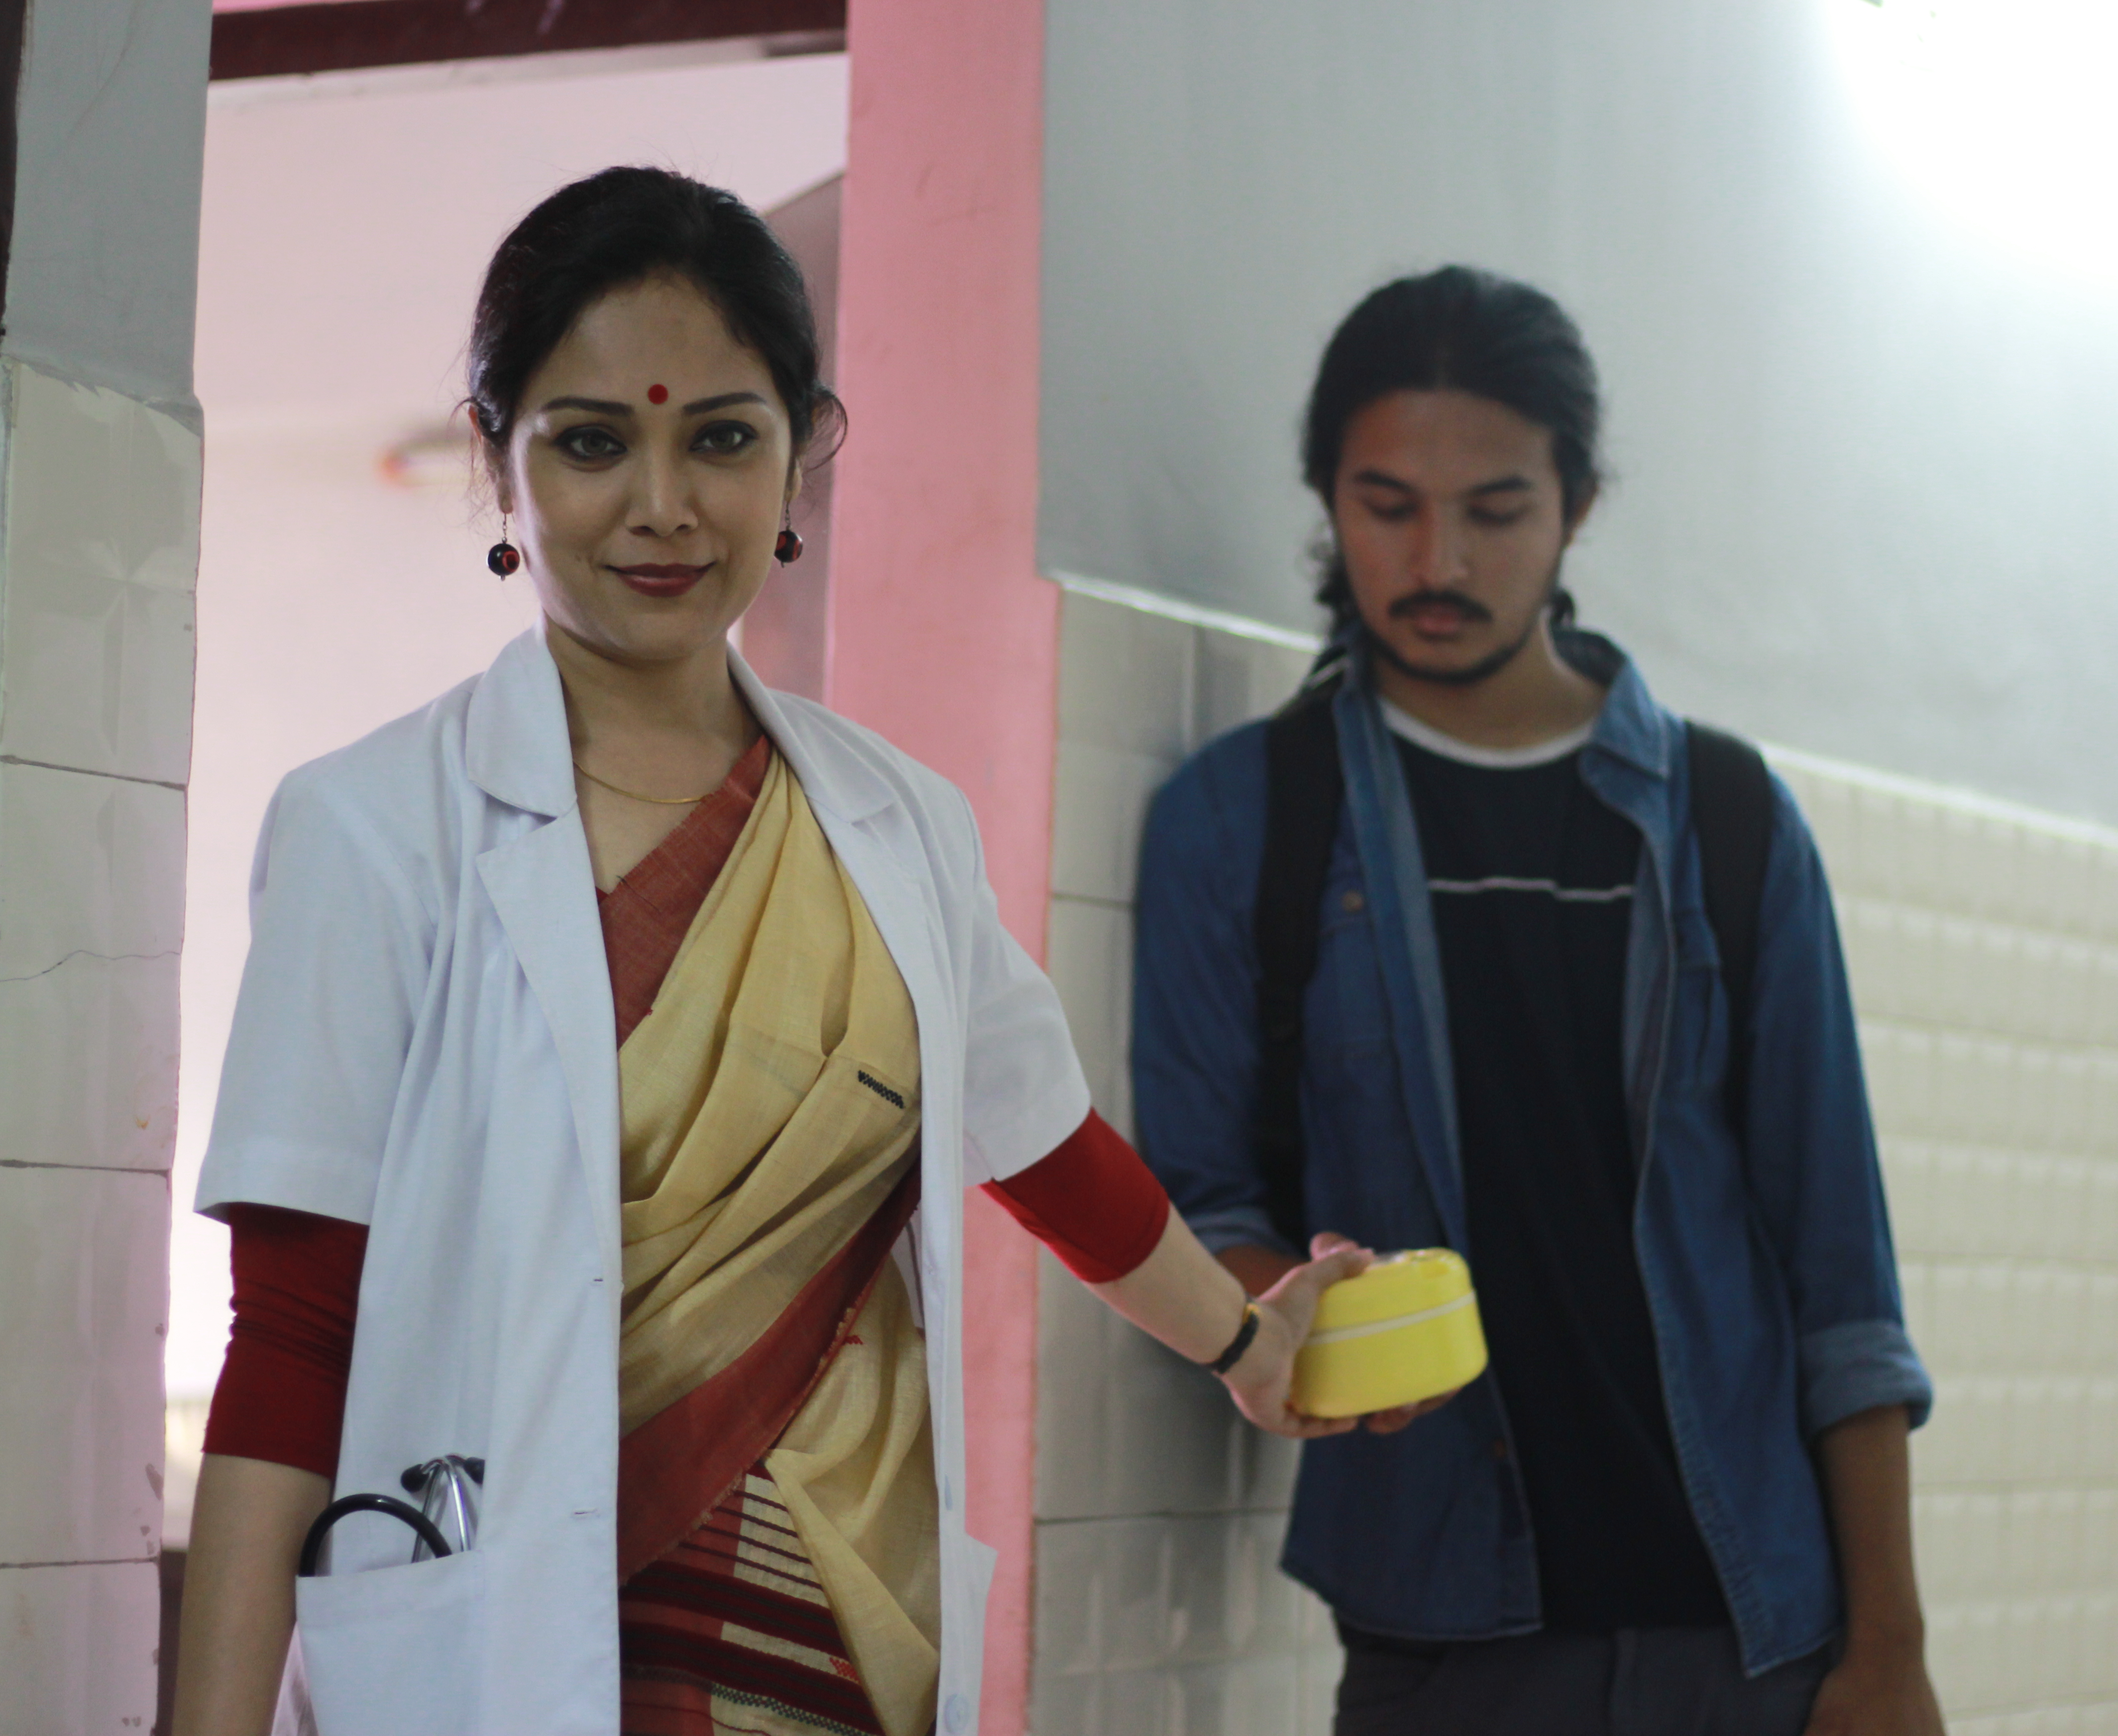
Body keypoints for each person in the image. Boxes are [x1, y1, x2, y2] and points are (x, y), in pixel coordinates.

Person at [171, 167, 1382, 1736]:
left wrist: (1248, 1342)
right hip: (518, 1663)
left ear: (805, 453)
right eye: (593, 442)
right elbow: (295, 1336)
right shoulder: (377, 828)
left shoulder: (900, 825)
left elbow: (1044, 1143)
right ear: (494, 456)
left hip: (843, 1651)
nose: (663, 505)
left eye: (723, 440)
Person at [1130, 268, 1944, 1736]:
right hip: (1442, 1637)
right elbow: (1201, 1201)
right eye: (1387, 505)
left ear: (1577, 508)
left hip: (1755, 1632)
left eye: (1496, 511)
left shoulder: (1727, 819)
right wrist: (1275, 1323)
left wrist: (1889, 1651)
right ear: (1328, 501)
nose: (1437, 559)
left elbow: (1839, 1270)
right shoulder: (1242, 821)